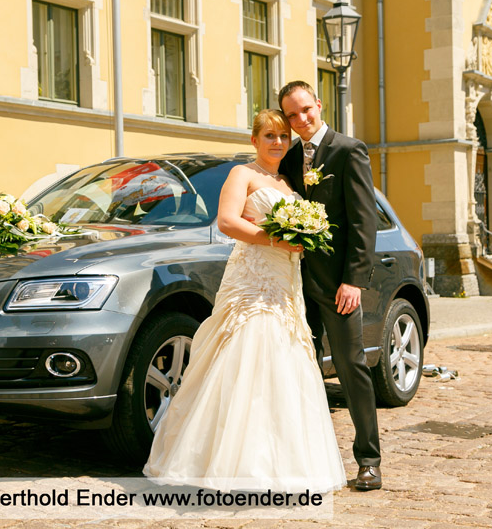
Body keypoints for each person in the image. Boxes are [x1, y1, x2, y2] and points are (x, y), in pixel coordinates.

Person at [142, 109, 346, 494]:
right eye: (269, 136)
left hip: (286, 284)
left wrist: (306, 238)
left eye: (283, 136)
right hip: (253, 280)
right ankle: (225, 464)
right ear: (254, 140)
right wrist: (278, 241)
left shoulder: (289, 182)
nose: (277, 143)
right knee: (244, 357)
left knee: (285, 363)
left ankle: (281, 465)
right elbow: (227, 222)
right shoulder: (243, 174)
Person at [277, 80, 381, 491]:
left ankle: (369, 460)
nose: (301, 119)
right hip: (295, 285)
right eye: (291, 114)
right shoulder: (288, 159)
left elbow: (363, 221)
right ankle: (305, 460)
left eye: (305, 109)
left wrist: (354, 281)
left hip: (337, 286)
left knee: (351, 368)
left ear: (318, 105)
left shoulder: (348, 149)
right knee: (299, 370)